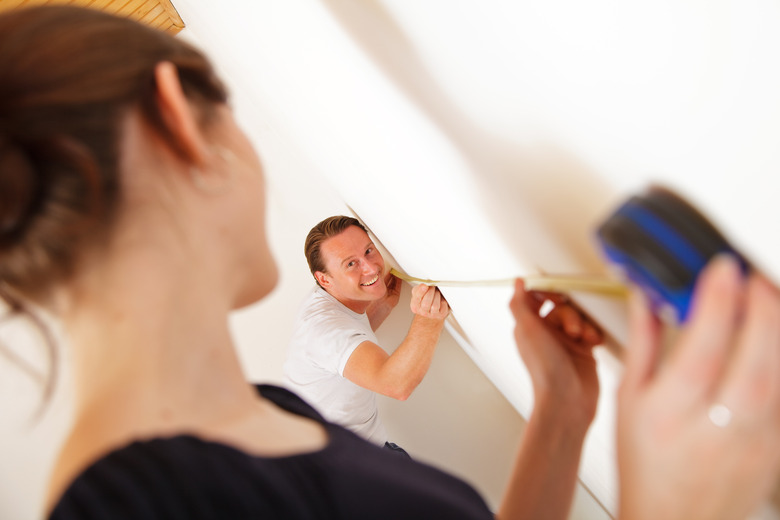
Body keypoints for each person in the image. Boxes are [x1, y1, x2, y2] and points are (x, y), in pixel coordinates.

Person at [2, 6, 780, 520]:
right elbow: (395, 373)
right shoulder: (150, 505)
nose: (369, 266)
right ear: (179, 117)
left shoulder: (269, 414)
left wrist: (559, 412)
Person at [283, 216, 449, 450]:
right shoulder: (324, 330)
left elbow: (345, 353)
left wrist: (381, 306)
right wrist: (428, 320)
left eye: (369, 251)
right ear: (324, 279)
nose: (371, 268)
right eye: (351, 264)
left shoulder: (326, 301)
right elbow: (396, 385)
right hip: (346, 475)